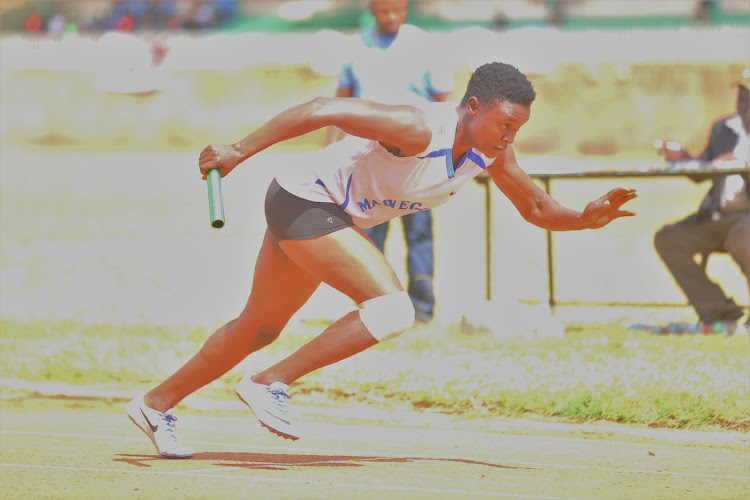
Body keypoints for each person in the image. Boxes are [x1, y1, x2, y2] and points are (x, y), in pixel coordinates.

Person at [127, 62, 637, 458]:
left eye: (517, 129)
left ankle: (153, 406)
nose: (509, 137)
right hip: (304, 201)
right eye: (505, 123)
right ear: (473, 106)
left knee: (257, 329)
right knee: (393, 309)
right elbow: (324, 107)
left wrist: (584, 218)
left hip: (321, 214)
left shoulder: (491, 152)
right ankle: (268, 383)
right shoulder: (415, 128)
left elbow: (536, 207)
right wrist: (239, 150)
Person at [327, 0, 455, 323]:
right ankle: (374, 306)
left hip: (418, 162)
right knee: (368, 236)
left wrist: (453, 156)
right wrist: (330, 151)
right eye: (384, 11)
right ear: (372, 9)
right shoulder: (357, 47)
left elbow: (446, 104)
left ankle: (423, 307)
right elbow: (337, 106)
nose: (392, 17)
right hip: (368, 162)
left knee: (419, 233)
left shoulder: (424, 46)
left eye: (397, 9)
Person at [653, 71, 750, 334]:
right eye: (742, 98)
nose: (745, 106)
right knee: (668, 238)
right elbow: (704, 171)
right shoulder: (724, 128)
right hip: (715, 216)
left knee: (746, 238)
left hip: (746, 220)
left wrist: (744, 166)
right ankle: (719, 312)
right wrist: (683, 158)